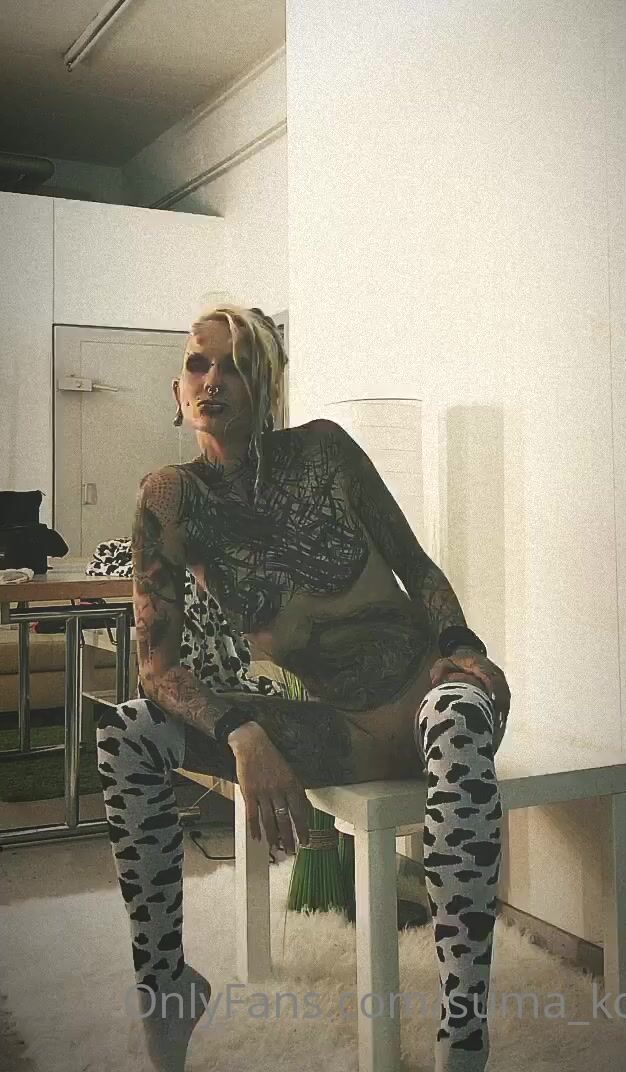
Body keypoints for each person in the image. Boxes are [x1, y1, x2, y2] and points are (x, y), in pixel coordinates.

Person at [95, 304, 511, 1072]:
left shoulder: (325, 451)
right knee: (127, 730)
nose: (213, 379)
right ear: (176, 388)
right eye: (198, 364)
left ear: (267, 387)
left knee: (458, 716)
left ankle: (464, 1031)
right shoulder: (170, 501)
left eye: (235, 365)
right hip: (340, 730)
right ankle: (165, 984)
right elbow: (157, 668)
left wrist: (461, 647)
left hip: (428, 695)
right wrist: (242, 732)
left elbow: (416, 566)